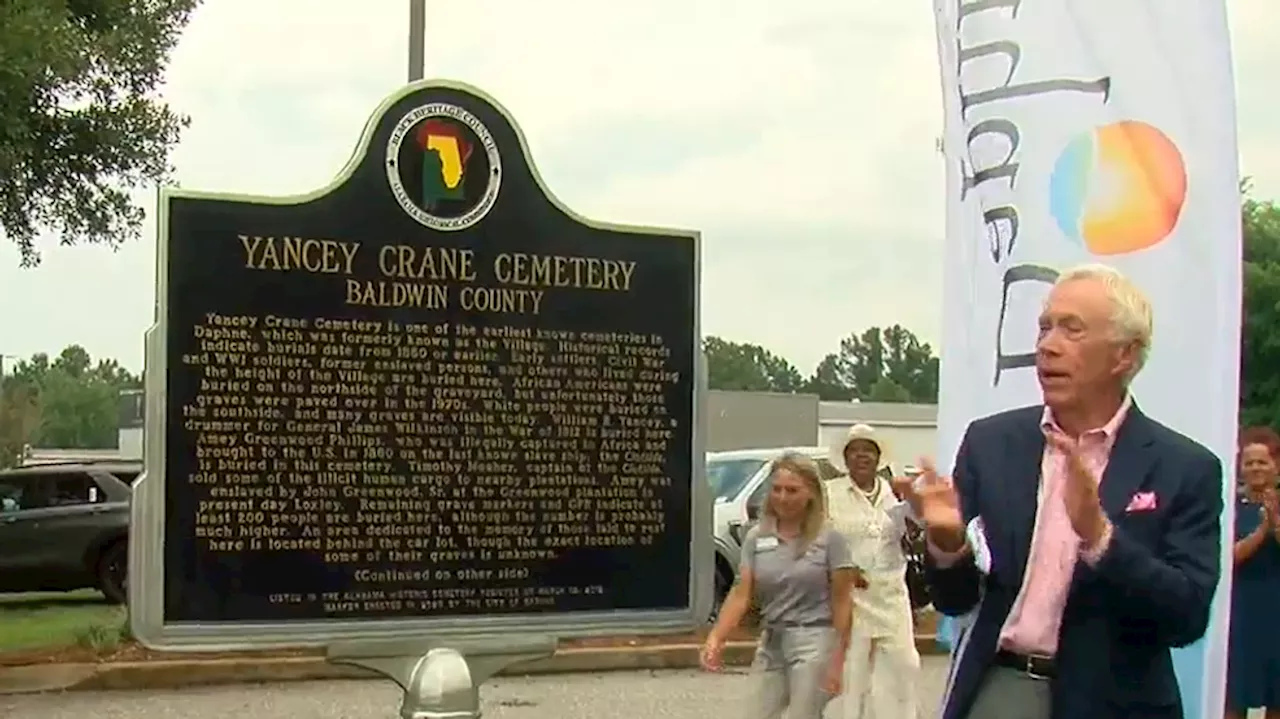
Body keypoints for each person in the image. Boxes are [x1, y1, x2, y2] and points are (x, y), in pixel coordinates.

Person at [896, 263, 1223, 719]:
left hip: (1117, 700)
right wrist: (948, 546)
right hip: (1006, 686)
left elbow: (1186, 617)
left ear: (1124, 356)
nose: (1047, 346)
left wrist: (1101, 539)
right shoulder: (992, 444)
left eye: (1072, 329)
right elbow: (957, 601)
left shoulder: (1185, 467)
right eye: (1044, 327)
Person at [701, 451, 858, 719]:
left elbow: (842, 601)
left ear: (811, 493)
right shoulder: (757, 537)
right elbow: (741, 593)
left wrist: (840, 658)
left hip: (815, 641)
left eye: (792, 490)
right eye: (777, 490)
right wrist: (717, 637)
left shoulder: (831, 539)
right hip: (773, 640)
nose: (783, 498)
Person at [824, 423, 920, 719]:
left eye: (868, 451)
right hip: (850, 596)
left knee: (904, 666)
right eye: (855, 451)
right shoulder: (830, 493)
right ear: (845, 457)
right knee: (852, 673)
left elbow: (908, 539)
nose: (862, 456)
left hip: (891, 593)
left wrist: (914, 528)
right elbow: (819, 539)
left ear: (879, 458)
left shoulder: (894, 494)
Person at [1226, 426, 1280, 719]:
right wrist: (1263, 530)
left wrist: (1277, 522)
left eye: (1263, 461)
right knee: (1234, 699)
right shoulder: (1229, 508)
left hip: (1277, 614)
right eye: (1250, 462)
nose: (1256, 468)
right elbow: (1228, 558)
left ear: (1277, 465)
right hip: (1240, 616)